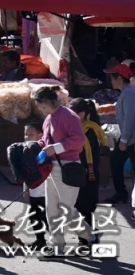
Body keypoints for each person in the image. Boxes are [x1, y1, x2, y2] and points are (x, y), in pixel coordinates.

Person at [34, 85, 92, 256]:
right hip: (51, 168)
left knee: (65, 209)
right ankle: (61, 244)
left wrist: (56, 148)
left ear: (47, 101)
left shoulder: (68, 115)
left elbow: (79, 140)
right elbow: (45, 142)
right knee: (52, 207)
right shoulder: (49, 119)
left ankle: (82, 237)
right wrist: (35, 147)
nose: (41, 110)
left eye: (42, 106)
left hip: (68, 167)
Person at [68, 98, 106, 245]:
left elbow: (88, 155)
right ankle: (90, 235)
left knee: (85, 206)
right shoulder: (78, 128)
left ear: (81, 114)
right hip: (80, 173)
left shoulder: (89, 131)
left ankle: (86, 240)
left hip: (87, 173)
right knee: (80, 205)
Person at [103, 62, 135, 204]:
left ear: (120, 79)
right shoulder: (127, 92)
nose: (111, 81)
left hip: (130, 140)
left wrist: (124, 140)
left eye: (113, 78)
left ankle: (122, 193)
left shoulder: (129, 94)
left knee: (116, 162)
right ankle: (121, 192)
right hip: (129, 139)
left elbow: (130, 118)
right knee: (115, 162)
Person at [23, 122, 48, 248]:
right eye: (26, 134)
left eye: (31, 134)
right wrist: (25, 186)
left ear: (40, 135)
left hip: (44, 188)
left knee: (45, 216)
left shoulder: (42, 149)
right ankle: (40, 240)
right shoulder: (25, 148)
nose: (27, 137)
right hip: (33, 188)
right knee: (34, 215)